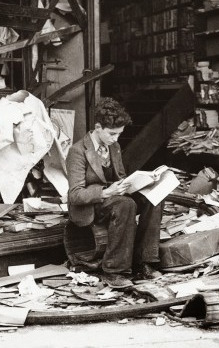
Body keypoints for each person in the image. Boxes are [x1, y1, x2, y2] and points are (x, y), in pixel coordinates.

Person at [65, 97, 163, 288]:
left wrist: (138, 183)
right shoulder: (77, 151)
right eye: (112, 134)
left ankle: (144, 261)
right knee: (126, 204)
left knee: (155, 197)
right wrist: (106, 192)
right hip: (92, 203)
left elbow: (120, 176)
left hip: (114, 195)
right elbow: (75, 194)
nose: (115, 139)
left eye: (119, 134)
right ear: (98, 127)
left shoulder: (114, 146)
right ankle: (114, 271)